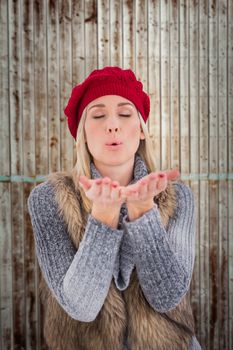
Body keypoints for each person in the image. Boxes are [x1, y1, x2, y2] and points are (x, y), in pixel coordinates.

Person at [27, 66, 202, 350]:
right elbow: (80, 307)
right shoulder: (48, 199)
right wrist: (103, 217)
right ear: (82, 132)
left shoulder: (178, 196)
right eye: (97, 115)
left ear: (142, 130)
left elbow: (168, 297)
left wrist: (143, 212)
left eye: (124, 113)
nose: (113, 125)